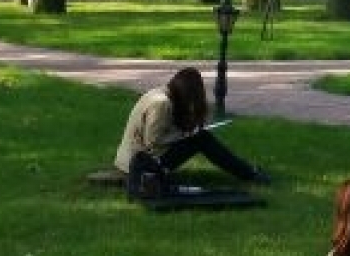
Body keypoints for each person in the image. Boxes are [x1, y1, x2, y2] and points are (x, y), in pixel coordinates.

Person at [113, 67, 269, 191]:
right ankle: (249, 173)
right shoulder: (162, 103)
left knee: (200, 137)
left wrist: (185, 130)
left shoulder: (159, 93)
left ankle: (247, 171)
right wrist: (184, 134)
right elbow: (153, 140)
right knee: (203, 139)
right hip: (140, 166)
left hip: (131, 161)